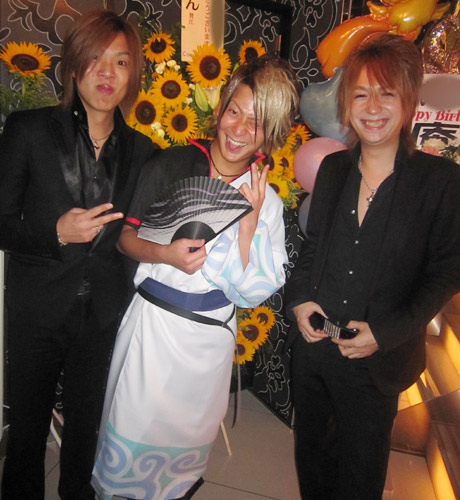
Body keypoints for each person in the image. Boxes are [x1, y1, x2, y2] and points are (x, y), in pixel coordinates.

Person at [91, 53, 300, 500]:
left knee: (184, 447)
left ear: (271, 133)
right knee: (132, 433)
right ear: (220, 109)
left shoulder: (266, 200)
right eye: (234, 111)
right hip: (154, 329)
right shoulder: (171, 165)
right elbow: (125, 240)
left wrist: (248, 227)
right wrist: (165, 254)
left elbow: (250, 294)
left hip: (210, 341)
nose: (240, 129)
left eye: (257, 122)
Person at [285, 34, 460, 500]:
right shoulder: (333, 169)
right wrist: (300, 300)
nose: (373, 107)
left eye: (387, 93)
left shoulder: (440, 181)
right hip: (315, 350)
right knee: (314, 467)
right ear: (346, 105)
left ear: (409, 101)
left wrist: (384, 332)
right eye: (361, 94)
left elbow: (446, 272)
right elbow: (312, 247)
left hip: (377, 361)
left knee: (360, 479)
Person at [0, 10, 157, 500]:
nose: (107, 73)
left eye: (121, 62)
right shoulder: (27, 131)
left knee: (87, 428)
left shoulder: (145, 153)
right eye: (95, 59)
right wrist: (56, 232)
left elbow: (144, 233)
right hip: (38, 307)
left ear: (133, 76)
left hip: (104, 313)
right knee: (27, 431)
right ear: (72, 66)